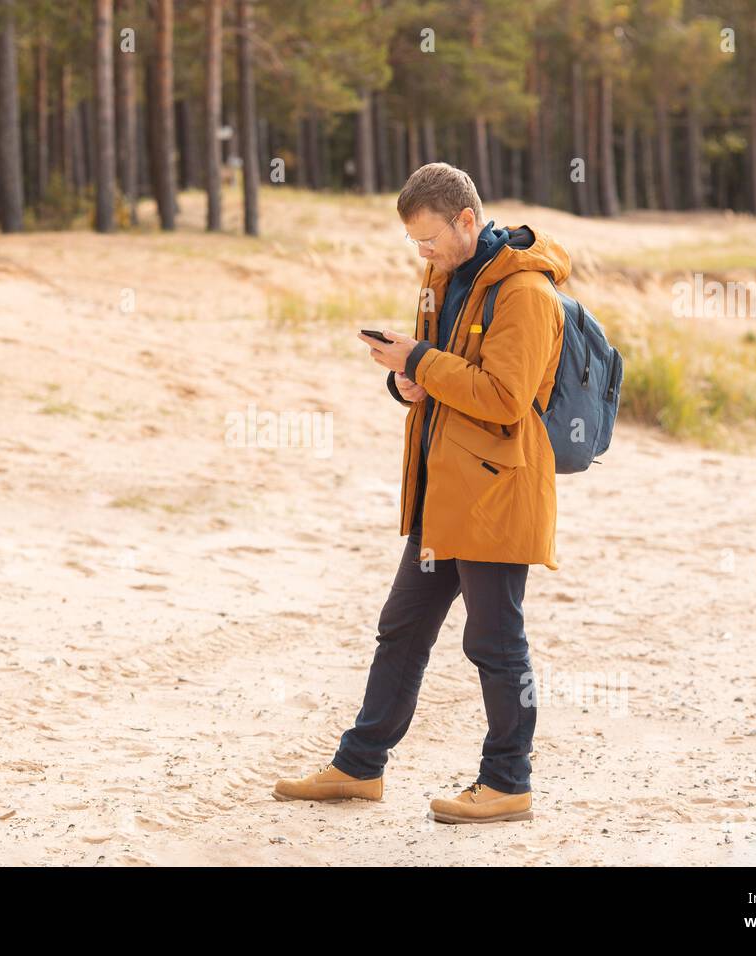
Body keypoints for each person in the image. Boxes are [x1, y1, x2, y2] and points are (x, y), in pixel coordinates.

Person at [272, 162, 571, 824]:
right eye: (415, 242)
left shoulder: (527, 293)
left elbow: (503, 398)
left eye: (430, 239)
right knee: (401, 628)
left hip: (496, 493)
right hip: (443, 491)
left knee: (495, 643)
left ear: (468, 220)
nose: (423, 253)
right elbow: (438, 371)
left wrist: (417, 362)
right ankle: (359, 768)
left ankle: (508, 782)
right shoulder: (440, 279)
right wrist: (404, 380)